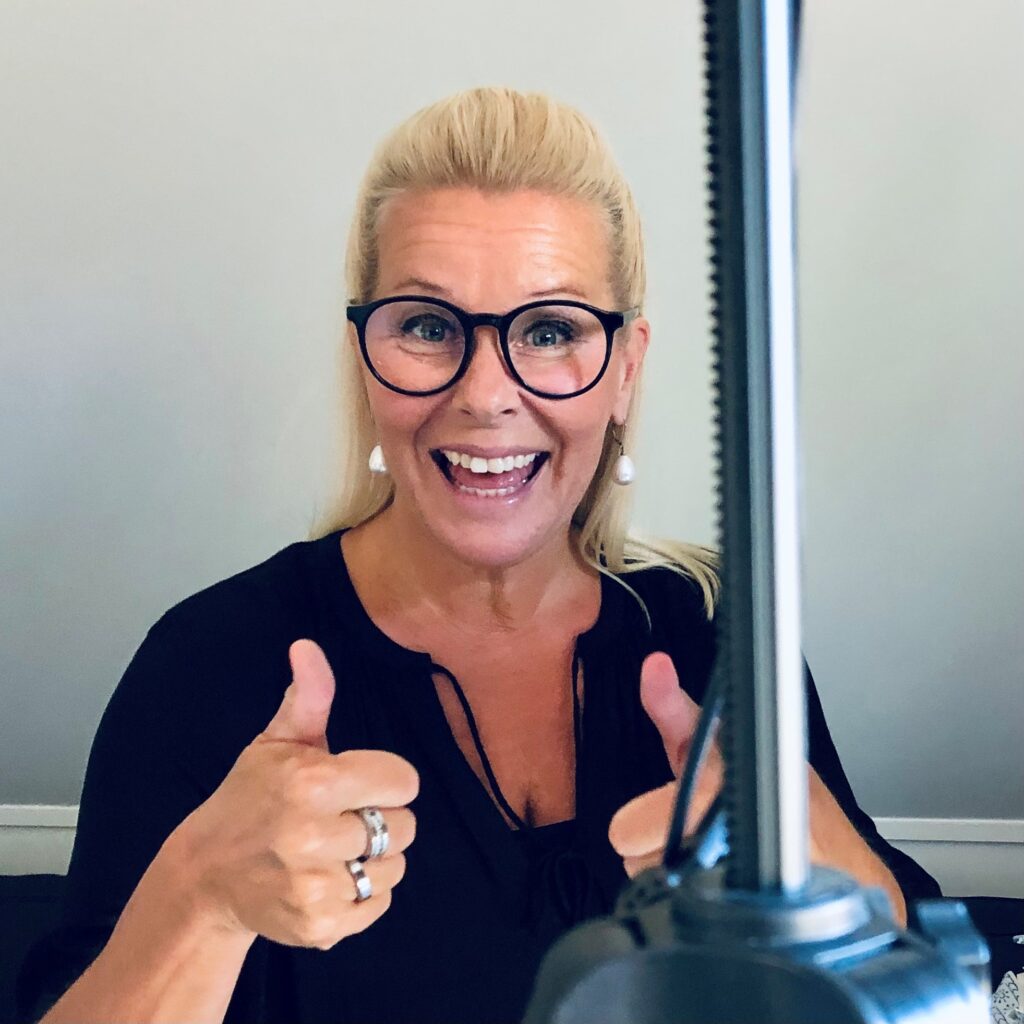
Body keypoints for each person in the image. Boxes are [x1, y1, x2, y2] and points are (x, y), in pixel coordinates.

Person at [16, 86, 939, 1024]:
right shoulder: (208, 661)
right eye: (428, 326)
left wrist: (851, 898)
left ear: (624, 370)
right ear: (364, 357)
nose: (486, 395)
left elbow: (926, 975)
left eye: (551, 331)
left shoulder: (718, 638)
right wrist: (200, 899)